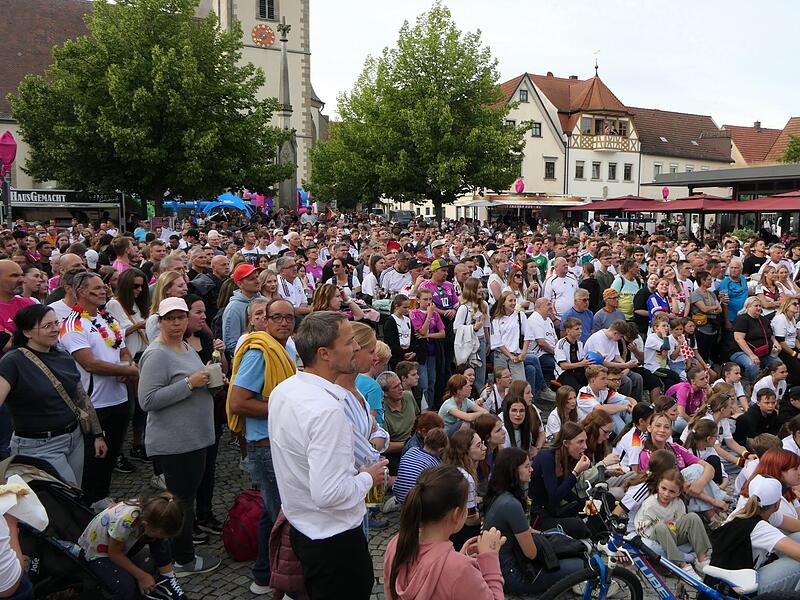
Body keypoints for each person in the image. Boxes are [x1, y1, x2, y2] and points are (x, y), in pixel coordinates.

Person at [268, 311, 388, 599]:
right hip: (333, 540)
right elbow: (329, 494)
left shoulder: (284, 390)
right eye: (349, 342)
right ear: (324, 353)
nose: (357, 348)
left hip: (304, 527)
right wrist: (368, 478)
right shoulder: (327, 411)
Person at [137, 298, 221, 576]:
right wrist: (189, 384)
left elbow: (194, 383)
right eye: (170, 318)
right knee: (181, 501)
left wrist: (209, 382)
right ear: (159, 321)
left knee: (186, 497)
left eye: (180, 318)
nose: (176, 323)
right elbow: (147, 400)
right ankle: (183, 559)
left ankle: (178, 552)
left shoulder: (185, 346)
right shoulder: (156, 354)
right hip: (176, 443)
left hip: (195, 438)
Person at [59, 271, 138, 511]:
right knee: (93, 457)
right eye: (96, 288)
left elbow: (122, 349)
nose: (103, 291)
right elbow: (89, 364)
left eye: (103, 287)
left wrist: (127, 366)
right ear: (80, 291)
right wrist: (127, 370)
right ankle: (85, 503)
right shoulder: (73, 324)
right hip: (94, 403)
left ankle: (102, 495)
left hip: (119, 397)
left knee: (112, 452)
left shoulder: (107, 318)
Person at [0, 304, 106, 485]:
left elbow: (81, 398)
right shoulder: (13, 361)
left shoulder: (63, 356)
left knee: (74, 491)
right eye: (47, 326)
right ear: (27, 332)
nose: (55, 329)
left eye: (56, 323)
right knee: (64, 494)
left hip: (74, 438)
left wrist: (97, 434)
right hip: (38, 446)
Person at [384, 465, 506, 600]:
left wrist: (457, 557)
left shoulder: (396, 544)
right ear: (456, 514)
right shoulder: (460, 569)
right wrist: (490, 557)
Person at [482, 447, 584, 594]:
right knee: (580, 564)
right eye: (526, 466)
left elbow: (526, 531)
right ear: (513, 471)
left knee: (558, 540)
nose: (532, 469)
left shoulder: (499, 494)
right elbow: (531, 553)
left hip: (501, 567)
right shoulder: (511, 504)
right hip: (514, 574)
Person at [78, 493, 186, 600]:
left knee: (159, 539)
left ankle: (167, 577)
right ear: (145, 524)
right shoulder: (125, 520)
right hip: (96, 554)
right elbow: (114, 554)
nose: (165, 538)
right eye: (162, 534)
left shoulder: (151, 511)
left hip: (120, 544)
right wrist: (142, 576)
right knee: (126, 587)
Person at [706, 475, 800, 594]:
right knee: (797, 564)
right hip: (739, 589)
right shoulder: (759, 527)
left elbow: (797, 526)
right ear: (777, 504)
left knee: (798, 537)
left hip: (731, 575)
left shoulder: (747, 511)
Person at [634, 469, 711, 578]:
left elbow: (680, 523)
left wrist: (673, 528)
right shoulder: (650, 505)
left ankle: (702, 558)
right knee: (661, 527)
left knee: (692, 517)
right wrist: (664, 527)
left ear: (679, 492)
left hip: (673, 534)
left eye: (672, 491)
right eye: (663, 488)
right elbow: (641, 530)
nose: (666, 494)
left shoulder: (678, 503)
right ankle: (682, 565)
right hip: (654, 537)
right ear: (658, 486)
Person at [529, 422, 592, 539]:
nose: (585, 447)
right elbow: (554, 497)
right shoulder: (547, 457)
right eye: (580, 442)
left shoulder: (566, 457)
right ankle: (590, 540)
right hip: (538, 516)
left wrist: (585, 504)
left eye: (585, 441)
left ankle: (598, 537)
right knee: (577, 526)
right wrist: (575, 473)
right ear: (565, 443)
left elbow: (565, 492)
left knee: (594, 506)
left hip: (553, 510)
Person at [442, 429, 485, 550]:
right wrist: (487, 516)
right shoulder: (466, 479)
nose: (484, 447)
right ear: (465, 451)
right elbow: (470, 520)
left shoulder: (451, 468)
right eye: (479, 445)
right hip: (461, 534)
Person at [392, 427, 448, 505]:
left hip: (398, 496)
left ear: (425, 439)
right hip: (415, 503)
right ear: (441, 450)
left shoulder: (412, 450)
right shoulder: (436, 465)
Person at [410, 288, 445, 410]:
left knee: (432, 381)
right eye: (425, 299)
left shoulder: (435, 313)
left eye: (430, 299)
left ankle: (430, 407)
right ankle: (423, 409)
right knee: (423, 383)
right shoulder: (414, 313)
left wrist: (428, 336)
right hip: (421, 352)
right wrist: (429, 315)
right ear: (418, 300)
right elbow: (422, 331)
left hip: (433, 351)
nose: (428, 302)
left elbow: (442, 333)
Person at [732, 297, 783, 381]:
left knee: (779, 365)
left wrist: (775, 342)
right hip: (741, 351)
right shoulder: (742, 319)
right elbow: (739, 339)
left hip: (763, 351)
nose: (759, 308)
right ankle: (753, 384)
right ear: (748, 307)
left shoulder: (763, 319)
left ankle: (773, 383)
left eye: (760, 306)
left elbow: (770, 334)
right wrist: (751, 355)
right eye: (756, 306)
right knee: (752, 365)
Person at [454, 277, 490, 389]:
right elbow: (456, 328)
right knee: (468, 374)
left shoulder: (484, 305)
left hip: (481, 341)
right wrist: (473, 328)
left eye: (481, 287)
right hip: (468, 343)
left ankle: (480, 395)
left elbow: (486, 326)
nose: (481, 290)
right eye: (478, 288)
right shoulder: (464, 308)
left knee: (480, 374)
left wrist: (488, 342)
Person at [222, 264, 263, 355]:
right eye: (251, 279)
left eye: (257, 277)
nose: (257, 281)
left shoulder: (264, 301)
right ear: (240, 284)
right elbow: (231, 344)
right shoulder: (233, 309)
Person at [490, 291, 528, 382]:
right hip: (500, 355)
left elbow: (527, 335)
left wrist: (523, 352)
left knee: (520, 383)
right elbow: (497, 342)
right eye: (510, 301)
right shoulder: (496, 320)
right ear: (503, 302)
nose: (513, 303)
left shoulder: (520, 315)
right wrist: (510, 355)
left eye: (515, 300)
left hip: (516, 355)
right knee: (502, 383)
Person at [145, 271, 189, 342]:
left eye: (185, 285)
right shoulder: (155, 320)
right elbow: (158, 347)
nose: (186, 289)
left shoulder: (187, 312)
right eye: (180, 286)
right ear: (167, 290)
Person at [383, 294, 416, 370]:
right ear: (396, 306)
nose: (407, 310)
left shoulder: (408, 319)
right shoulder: (390, 321)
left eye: (408, 307)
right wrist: (402, 353)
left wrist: (413, 351)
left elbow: (413, 337)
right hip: (396, 357)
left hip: (409, 355)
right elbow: (389, 341)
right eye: (404, 307)